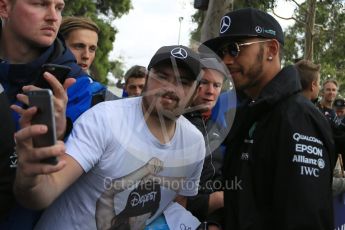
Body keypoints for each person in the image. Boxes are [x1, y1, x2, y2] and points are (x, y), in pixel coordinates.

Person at [13, 45, 205, 230]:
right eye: (162, 76)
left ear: (196, 92)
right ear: (147, 78)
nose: (170, 87)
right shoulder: (105, 119)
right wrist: (29, 177)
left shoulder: (194, 144)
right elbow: (44, 191)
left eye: (184, 82)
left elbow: (178, 202)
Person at [201, 8, 335, 229]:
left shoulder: (298, 118)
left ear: (271, 49)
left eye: (235, 49)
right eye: (222, 51)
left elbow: (305, 219)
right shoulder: (250, 113)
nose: (225, 60)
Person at [0, 0, 106, 228]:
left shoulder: (78, 87)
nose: (53, 16)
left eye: (59, 7)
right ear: (4, 8)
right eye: (40, 4)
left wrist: (62, 133)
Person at [184, 56, 228, 229]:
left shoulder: (217, 127)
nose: (210, 91)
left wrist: (214, 221)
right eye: (204, 83)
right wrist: (216, 200)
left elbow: (220, 176)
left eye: (216, 85)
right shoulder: (173, 123)